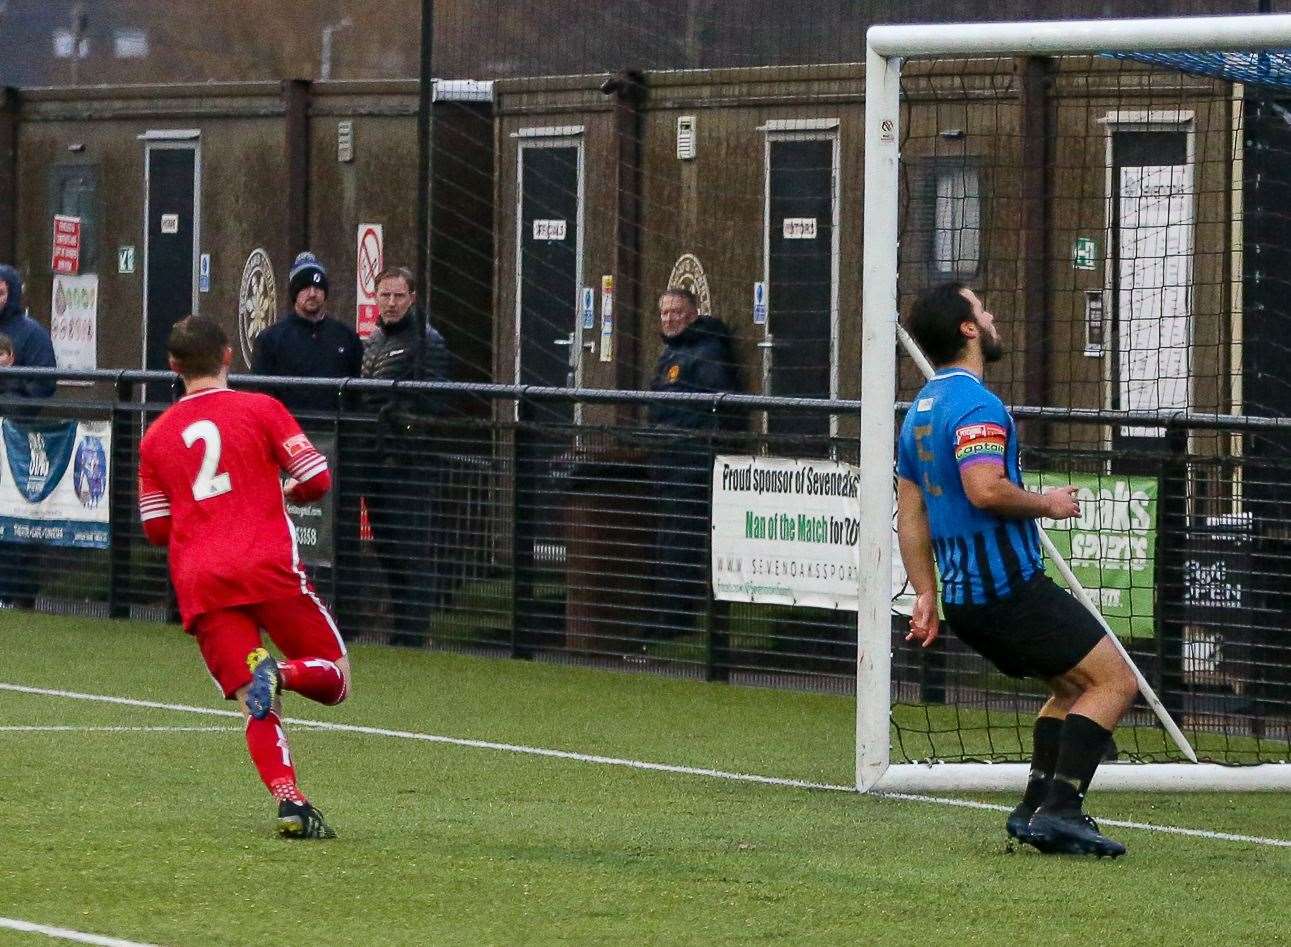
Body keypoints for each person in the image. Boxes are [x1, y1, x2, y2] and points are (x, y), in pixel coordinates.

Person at [895, 282, 1138, 858]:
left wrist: (926, 594)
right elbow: (984, 490)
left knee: (1071, 688)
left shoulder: (918, 414)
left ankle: (1033, 807)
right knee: (1116, 681)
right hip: (1008, 591)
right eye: (982, 307)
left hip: (966, 601)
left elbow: (910, 519)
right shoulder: (977, 406)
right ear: (967, 329)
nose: (992, 312)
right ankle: (1061, 810)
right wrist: (1047, 502)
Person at [138, 315, 350, 839]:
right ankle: (284, 671)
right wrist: (284, 495)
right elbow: (317, 479)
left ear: (173, 366)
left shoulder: (156, 436)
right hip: (267, 568)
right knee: (336, 679)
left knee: (254, 703)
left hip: (204, 583)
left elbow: (157, 528)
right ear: (229, 355)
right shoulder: (261, 409)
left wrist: (200, 513)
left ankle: (290, 801)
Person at [357, 265, 450, 646]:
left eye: (398, 296)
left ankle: (413, 634)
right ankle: (401, 630)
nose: (391, 303)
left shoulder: (428, 342)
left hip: (409, 464)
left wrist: (403, 426)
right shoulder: (375, 340)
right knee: (387, 548)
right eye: (385, 295)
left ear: (412, 298)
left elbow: (436, 400)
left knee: (411, 550)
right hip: (376, 459)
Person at [644, 288, 741, 636]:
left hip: (693, 462)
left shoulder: (708, 352)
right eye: (664, 312)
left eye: (676, 312)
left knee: (681, 539)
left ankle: (677, 620)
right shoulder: (671, 352)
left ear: (693, 313)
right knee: (669, 538)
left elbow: (720, 407)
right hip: (668, 460)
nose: (669, 318)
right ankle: (667, 614)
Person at [250, 252, 361, 414]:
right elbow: (260, 393)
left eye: (317, 288)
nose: (312, 294)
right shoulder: (271, 339)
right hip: (288, 429)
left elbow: (356, 392)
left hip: (335, 429)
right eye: (305, 288)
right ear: (295, 293)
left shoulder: (346, 337)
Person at [0, 265, 56, 400]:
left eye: (0, 293)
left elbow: (43, 385)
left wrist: (9, 399)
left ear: (11, 294)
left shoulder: (33, 334)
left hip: (16, 416)